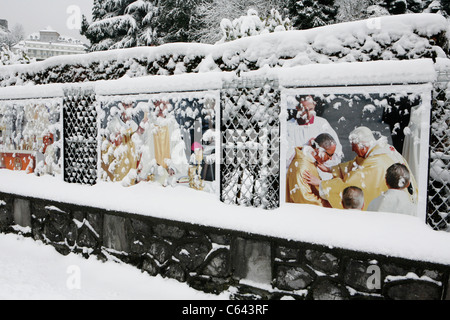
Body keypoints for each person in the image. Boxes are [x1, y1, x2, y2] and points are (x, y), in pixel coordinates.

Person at [304, 126, 418, 210]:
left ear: (362, 146)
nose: (353, 151)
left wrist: (322, 184)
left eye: (354, 147)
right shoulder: (380, 149)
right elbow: (357, 164)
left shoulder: (376, 163)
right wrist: (331, 169)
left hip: (396, 206)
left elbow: (351, 186)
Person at [286, 95, 343, 179]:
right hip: (298, 175)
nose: (308, 114)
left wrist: (321, 154)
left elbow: (337, 154)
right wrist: (308, 149)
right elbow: (286, 159)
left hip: (321, 176)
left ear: (314, 106)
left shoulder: (321, 123)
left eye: (311, 109)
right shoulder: (289, 127)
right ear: (297, 108)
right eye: (304, 110)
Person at [138, 100, 189, 187]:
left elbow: (177, 146)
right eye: (157, 104)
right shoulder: (149, 122)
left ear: (167, 106)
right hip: (152, 170)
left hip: (168, 171)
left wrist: (173, 166)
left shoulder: (172, 123)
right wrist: (141, 129)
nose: (160, 107)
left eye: (163, 104)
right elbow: (140, 142)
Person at [286, 133, 336, 206]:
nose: (331, 158)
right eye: (330, 155)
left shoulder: (310, 160)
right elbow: (303, 200)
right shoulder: (302, 167)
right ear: (319, 150)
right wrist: (329, 204)